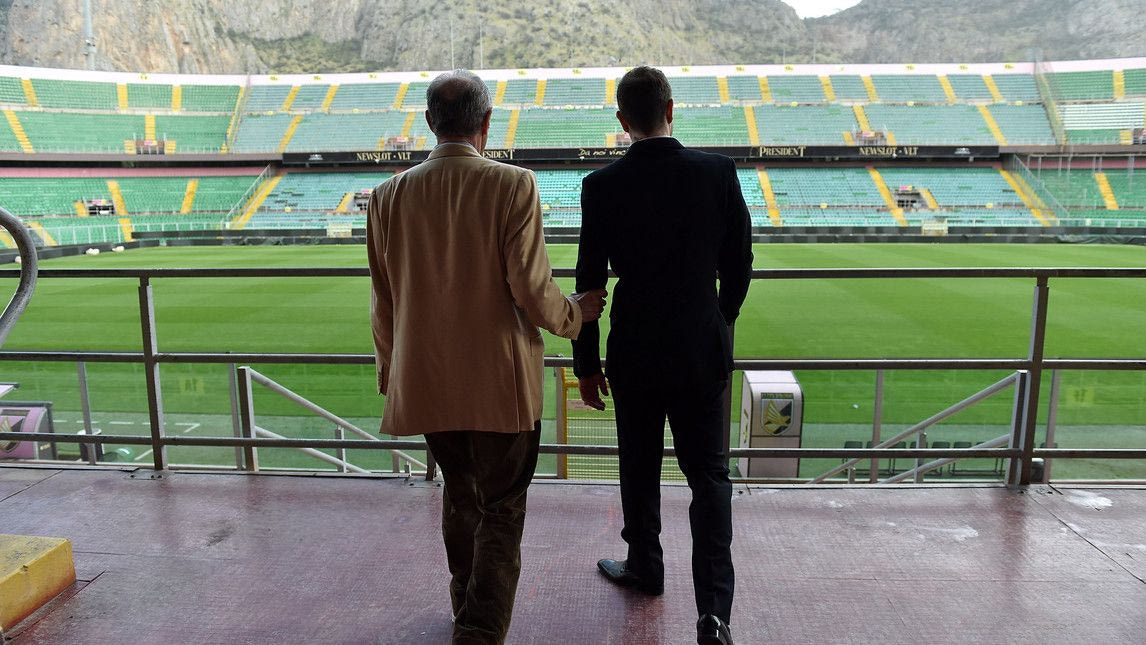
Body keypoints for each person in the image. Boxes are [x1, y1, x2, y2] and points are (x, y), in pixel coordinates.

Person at [367, 69, 606, 645]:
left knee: (460, 496)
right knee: (501, 508)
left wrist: (391, 372)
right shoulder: (513, 184)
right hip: (501, 385)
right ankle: (479, 629)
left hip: (426, 381)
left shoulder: (386, 197)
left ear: (430, 122)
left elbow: (384, 299)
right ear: (487, 122)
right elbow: (532, 288)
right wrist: (576, 315)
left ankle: (465, 608)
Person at [571, 65, 753, 645]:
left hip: (635, 348)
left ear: (622, 120)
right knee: (710, 477)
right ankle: (714, 611)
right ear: (671, 109)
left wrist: (585, 364)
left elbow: (588, 283)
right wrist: (721, 318)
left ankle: (646, 566)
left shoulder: (601, 185)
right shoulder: (717, 172)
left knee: (639, 462)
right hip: (701, 347)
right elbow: (740, 261)